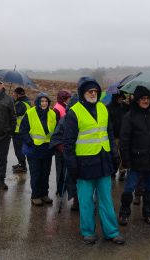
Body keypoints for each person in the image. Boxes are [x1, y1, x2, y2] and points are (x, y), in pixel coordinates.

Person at [63, 77, 124, 245]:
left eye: (95, 91)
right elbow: (68, 143)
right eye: (90, 91)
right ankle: (88, 232)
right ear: (83, 93)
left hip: (103, 160)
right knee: (86, 200)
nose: (93, 94)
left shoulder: (103, 108)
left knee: (106, 199)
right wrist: (72, 165)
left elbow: (109, 133)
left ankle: (111, 232)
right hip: (84, 163)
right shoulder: (74, 112)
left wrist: (115, 153)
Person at [118, 85, 150, 226]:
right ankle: (124, 213)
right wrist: (126, 160)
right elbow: (124, 140)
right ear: (137, 100)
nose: (145, 101)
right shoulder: (130, 116)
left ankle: (148, 214)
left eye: (147, 98)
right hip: (136, 159)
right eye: (142, 98)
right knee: (129, 188)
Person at [20, 92, 56, 206]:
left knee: (46, 173)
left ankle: (44, 194)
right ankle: (35, 196)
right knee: (36, 173)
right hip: (34, 149)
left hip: (47, 148)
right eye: (42, 101)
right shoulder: (30, 113)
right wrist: (30, 142)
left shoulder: (52, 113)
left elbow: (55, 130)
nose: (44, 103)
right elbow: (23, 130)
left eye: (46, 101)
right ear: (37, 102)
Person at [50, 94, 79, 211]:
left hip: (82, 155)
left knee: (81, 179)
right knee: (70, 178)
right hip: (67, 154)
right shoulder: (64, 120)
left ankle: (81, 200)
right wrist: (64, 149)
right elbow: (56, 138)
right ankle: (75, 200)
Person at [106, 92, 130, 181]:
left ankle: (122, 171)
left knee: (123, 154)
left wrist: (130, 99)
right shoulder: (108, 107)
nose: (121, 99)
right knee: (115, 155)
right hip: (114, 136)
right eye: (119, 98)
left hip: (123, 135)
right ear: (115, 98)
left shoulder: (125, 106)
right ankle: (113, 170)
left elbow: (132, 109)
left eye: (122, 98)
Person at [12, 87, 31, 173]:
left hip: (18, 130)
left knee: (18, 150)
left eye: (14, 93)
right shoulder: (26, 102)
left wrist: (12, 104)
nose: (13, 95)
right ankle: (21, 164)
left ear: (18, 94)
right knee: (20, 149)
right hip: (22, 130)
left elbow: (14, 113)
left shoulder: (21, 104)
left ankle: (22, 166)